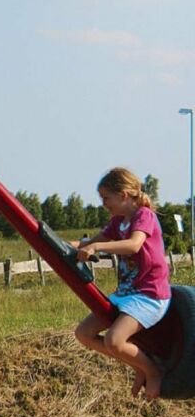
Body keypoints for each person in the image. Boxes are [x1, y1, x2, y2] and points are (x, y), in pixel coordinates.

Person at [74, 167, 171, 399]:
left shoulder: (144, 216)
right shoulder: (118, 221)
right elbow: (91, 241)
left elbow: (134, 245)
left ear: (123, 195)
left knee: (114, 340)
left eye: (106, 197)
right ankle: (138, 365)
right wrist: (60, 245)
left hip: (149, 295)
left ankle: (153, 371)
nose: (103, 203)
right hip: (127, 294)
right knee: (84, 334)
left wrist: (97, 248)